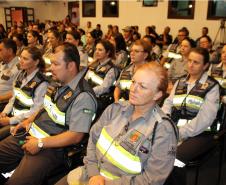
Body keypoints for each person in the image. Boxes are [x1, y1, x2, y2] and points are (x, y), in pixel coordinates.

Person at [55, 62, 178, 185]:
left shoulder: (163, 129)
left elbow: (151, 180)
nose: (133, 89)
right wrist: (94, 174)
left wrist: (105, 183)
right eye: (133, 82)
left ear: (157, 94)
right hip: (90, 175)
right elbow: (93, 139)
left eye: (142, 86)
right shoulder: (114, 109)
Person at [0, 42, 97, 185]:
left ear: (70, 66)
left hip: (50, 149)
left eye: (56, 64)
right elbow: (45, 107)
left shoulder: (83, 96)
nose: (51, 68)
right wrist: (28, 121)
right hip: (29, 136)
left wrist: (40, 143)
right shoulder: (56, 82)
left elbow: (76, 136)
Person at [162, 48, 220, 185]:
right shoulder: (180, 81)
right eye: (189, 61)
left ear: (205, 66)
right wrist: (165, 123)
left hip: (201, 134)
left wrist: (178, 133)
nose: (191, 65)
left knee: (175, 158)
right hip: (174, 129)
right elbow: (168, 104)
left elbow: (205, 120)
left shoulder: (212, 86)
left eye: (196, 62)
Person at [0, 47, 48, 140]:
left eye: (25, 59)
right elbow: (14, 98)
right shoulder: (21, 74)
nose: (21, 61)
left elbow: (35, 112)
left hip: (24, 122)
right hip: (12, 116)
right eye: (21, 57)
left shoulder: (42, 83)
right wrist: (5, 112)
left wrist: (10, 120)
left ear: (36, 62)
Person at [86, 39, 119, 114]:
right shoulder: (95, 65)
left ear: (107, 52)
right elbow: (85, 79)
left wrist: (88, 91)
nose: (96, 52)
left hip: (99, 100)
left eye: (100, 50)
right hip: (89, 95)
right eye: (96, 49)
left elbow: (104, 88)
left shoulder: (111, 69)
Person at [0, 38, 20, 112]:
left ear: (10, 51)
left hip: (5, 103)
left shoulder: (19, 68)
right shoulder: (2, 63)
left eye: (0, 50)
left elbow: (17, 91)